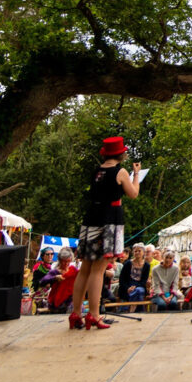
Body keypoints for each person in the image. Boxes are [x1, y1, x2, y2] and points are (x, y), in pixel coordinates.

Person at [69, 136, 141, 330]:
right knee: (98, 270)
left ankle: (76, 313)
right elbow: (133, 194)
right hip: (110, 220)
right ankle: (94, 314)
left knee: (85, 268)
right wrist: (136, 175)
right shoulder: (121, 172)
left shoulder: (97, 170)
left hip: (91, 218)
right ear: (121, 153)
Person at [39, 247, 79, 313]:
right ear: (60, 260)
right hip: (58, 303)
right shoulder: (55, 272)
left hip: (71, 301)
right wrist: (55, 278)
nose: (66, 264)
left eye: (68, 261)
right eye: (64, 261)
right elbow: (42, 281)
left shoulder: (73, 270)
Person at [117, 243, 150, 310]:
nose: (137, 252)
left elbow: (144, 280)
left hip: (139, 285)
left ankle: (128, 308)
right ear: (133, 253)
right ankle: (139, 310)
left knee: (139, 290)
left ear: (143, 252)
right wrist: (128, 288)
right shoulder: (128, 264)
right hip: (127, 286)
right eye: (135, 251)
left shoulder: (146, 265)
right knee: (137, 292)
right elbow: (122, 279)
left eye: (139, 251)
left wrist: (135, 287)